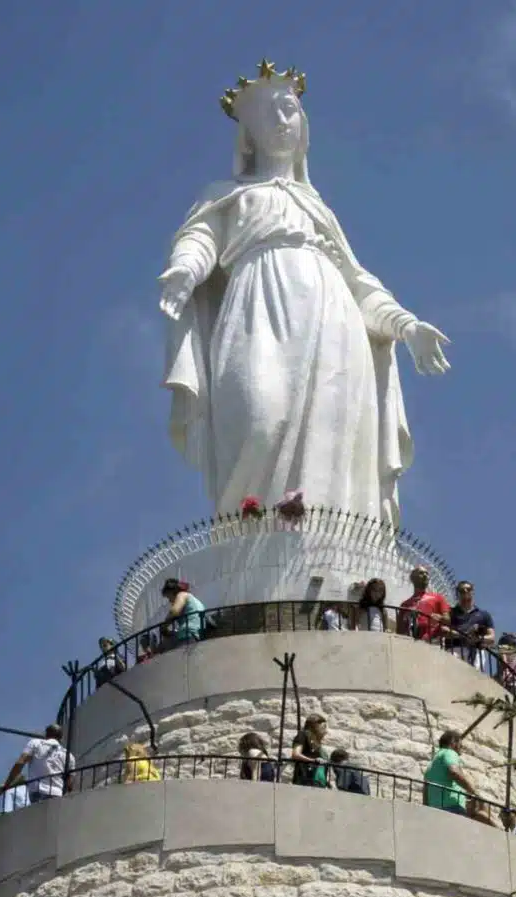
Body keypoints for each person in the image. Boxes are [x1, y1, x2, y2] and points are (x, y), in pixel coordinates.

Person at [158, 61, 450, 525]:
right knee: (260, 413)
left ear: (304, 124)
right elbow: (200, 238)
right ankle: (248, 531)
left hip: (331, 315)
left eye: (289, 109)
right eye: (268, 113)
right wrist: (184, 270)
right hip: (257, 304)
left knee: (333, 431)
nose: (281, 121)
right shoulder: (228, 193)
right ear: (248, 135)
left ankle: (326, 533)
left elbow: (358, 282)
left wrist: (406, 326)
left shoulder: (317, 209)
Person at [0, 724, 74, 804]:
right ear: (61, 738)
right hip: (57, 794)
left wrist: (6, 785)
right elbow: (69, 784)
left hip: (38, 791)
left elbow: (20, 763)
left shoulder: (35, 743)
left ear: (46, 734)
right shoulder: (68, 755)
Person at [445, 581, 495, 672]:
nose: (465, 591)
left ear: (473, 592)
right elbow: (444, 630)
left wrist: (479, 638)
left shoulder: (484, 615)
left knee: (474, 676)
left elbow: (491, 637)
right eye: (462, 590)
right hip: (455, 649)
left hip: (476, 652)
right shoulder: (450, 612)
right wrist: (465, 635)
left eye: (468, 589)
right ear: (457, 593)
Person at [422, 730, 476, 814]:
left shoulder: (432, 764)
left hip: (434, 810)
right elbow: (454, 772)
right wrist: (473, 792)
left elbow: (425, 791)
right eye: (460, 745)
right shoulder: (449, 752)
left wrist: (426, 811)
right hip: (452, 808)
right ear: (453, 742)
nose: (462, 748)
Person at [397, 566, 449, 642]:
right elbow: (399, 630)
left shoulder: (438, 598)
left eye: (427, 573)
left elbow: (447, 619)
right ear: (412, 578)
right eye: (421, 573)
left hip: (431, 642)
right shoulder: (404, 605)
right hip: (409, 643)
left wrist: (440, 618)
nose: (425, 575)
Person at [160, 578, 205, 648]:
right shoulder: (193, 599)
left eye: (169, 597)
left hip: (188, 633)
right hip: (197, 634)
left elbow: (174, 611)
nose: (170, 601)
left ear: (172, 592)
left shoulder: (182, 595)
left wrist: (163, 627)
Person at [291, 714, 331, 787]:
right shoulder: (302, 735)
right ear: (314, 724)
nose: (324, 730)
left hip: (314, 780)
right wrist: (313, 760)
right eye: (322, 726)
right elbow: (295, 754)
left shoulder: (315, 740)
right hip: (304, 777)